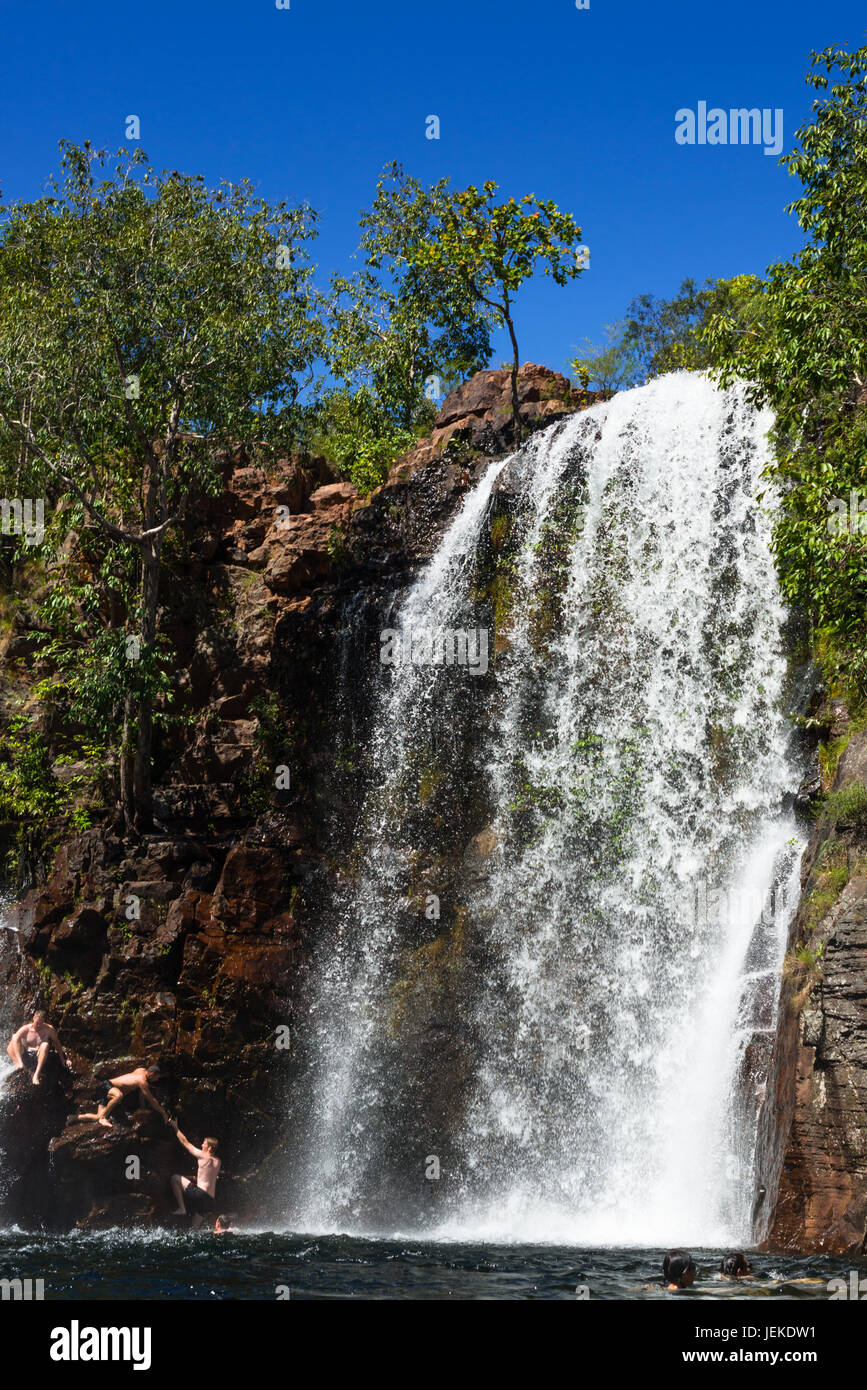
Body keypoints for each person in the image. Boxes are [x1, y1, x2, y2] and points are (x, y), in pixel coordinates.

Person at [78, 1064, 171, 1129]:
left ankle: (74, 1118)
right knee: (119, 1096)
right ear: (151, 1074)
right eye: (157, 1077)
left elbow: (142, 1094)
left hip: (109, 1092)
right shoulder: (142, 1081)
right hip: (107, 1086)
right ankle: (103, 1118)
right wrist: (163, 1112)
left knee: (97, 1117)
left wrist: (142, 1108)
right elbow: (152, 1100)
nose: (157, 1079)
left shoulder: (141, 1070)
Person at [170, 1128, 221, 1230]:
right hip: (210, 1200)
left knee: (175, 1178)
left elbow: (186, 1143)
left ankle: (182, 1208)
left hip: (200, 1194)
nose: (202, 1145)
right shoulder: (218, 1161)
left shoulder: (203, 1156)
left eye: (204, 1144)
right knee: (194, 1229)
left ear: (210, 1148)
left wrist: (175, 1128)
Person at [7, 1010, 69, 1087]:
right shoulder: (26, 1028)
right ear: (34, 1018)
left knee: (45, 1045)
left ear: (44, 1022)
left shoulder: (49, 1029)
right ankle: (20, 1064)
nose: (38, 1025)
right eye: (37, 1023)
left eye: (41, 1023)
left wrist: (63, 1059)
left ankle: (36, 1074)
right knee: (14, 1038)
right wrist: (17, 1061)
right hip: (26, 1055)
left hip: (39, 1056)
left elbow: (57, 1043)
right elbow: (10, 1047)